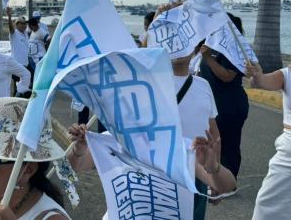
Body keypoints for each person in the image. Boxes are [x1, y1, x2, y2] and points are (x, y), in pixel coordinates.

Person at [67, 124, 236, 220]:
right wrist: (79, 148)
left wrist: (214, 168)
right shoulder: (110, 141)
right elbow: (70, 168)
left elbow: (228, 186)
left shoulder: (182, 148)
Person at [247, 31, 291, 220]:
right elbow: (262, 82)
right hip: (289, 149)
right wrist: (256, 75)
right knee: (268, 207)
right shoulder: (289, 74)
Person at [171, 48, 220, 219]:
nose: (178, 48)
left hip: (197, 171)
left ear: (193, 49)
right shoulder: (151, 84)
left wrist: (215, 174)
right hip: (161, 170)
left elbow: (213, 131)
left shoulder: (203, 85)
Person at [198, 13, 248, 179]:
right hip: (212, 104)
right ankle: (216, 180)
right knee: (214, 143)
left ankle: (229, 181)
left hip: (230, 105)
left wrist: (207, 58)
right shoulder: (212, 45)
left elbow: (227, 76)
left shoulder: (234, 49)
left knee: (228, 144)